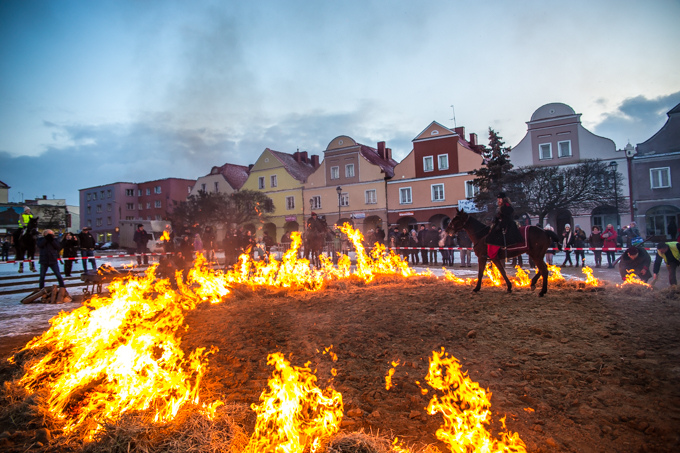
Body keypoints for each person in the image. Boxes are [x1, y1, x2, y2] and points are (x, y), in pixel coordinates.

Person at [485, 192, 522, 260]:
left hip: (508, 224)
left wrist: (500, 225)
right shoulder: (501, 206)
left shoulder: (506, 206)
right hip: (503, 223)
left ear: (504, 199)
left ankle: (495, 253)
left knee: (496, 235)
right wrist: (495, 220)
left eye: (500, 199)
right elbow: (500, 216)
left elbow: (507, 217)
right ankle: (491, 252)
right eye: (498, 199)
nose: (499, 200)